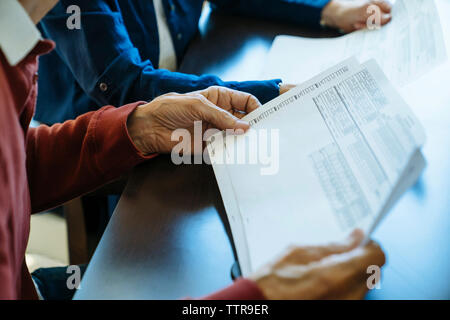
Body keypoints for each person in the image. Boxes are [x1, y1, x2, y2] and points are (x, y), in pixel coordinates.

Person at [0, 0, 386, 300]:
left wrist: (137, 127)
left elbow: (18, 161)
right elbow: (121, 79)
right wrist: (252, 299)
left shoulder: (11, 40)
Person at [34, 0, 393, 125]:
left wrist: (328, 10)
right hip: (102, 128)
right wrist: (274, 94)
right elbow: (125, 86)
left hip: (182, 76)